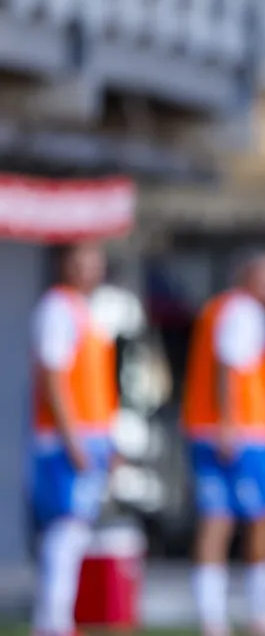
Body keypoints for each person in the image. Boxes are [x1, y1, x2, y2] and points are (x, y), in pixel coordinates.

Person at [180, 248, 265, 636]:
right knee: (262, 520)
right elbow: (229, 368)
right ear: (247, 277)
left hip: (208, 429)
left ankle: (211, 618)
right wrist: (229, 423)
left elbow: (245, 383)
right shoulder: (246, 312)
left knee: (216, 519)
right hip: (244, 437)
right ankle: (261, 612)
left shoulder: (217, 309)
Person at [29, 242, 118, 636]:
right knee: (65, 529)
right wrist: (73, 439)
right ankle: (53, 621)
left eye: (94, 262)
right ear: (63, 265)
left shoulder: (87, 312)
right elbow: (53, 380)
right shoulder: (57, 308)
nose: (88, 270)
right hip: (66, 439)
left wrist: (108, 443)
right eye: (80, 262)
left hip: (92, 436)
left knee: (77, 530)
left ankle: (58, 619)